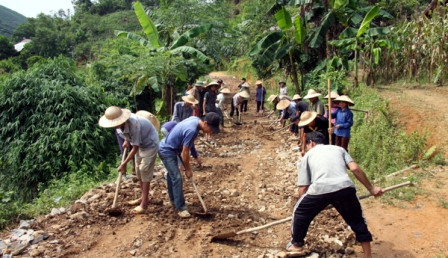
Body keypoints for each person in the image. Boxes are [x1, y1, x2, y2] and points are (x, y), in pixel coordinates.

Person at [286, 131, 383, 258]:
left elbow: (303, 187)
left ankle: (296, 244)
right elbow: (354, 169)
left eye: (308, 145)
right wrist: (372, 189)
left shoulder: (308, 156)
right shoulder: (339, 149)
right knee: (357, 221)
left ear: (311, 143)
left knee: (299, 212)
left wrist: (308, 207)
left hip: (320, 189)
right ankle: (367, 255)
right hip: (345, 187)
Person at [158, 113, 220, 218]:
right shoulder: (192, 131)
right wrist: (188, 169)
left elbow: (188, 146)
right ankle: (181, 208)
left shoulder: (195, 119)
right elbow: (185, 152)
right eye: (211, 129)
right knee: (177, 178)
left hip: (171, 148)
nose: (211, 132)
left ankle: (174, 201)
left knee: (172, 175)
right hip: (167, 151)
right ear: (205, 123)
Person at [99, 106, 159, 214]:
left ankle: (144, 203)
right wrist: (127, 140)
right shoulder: (118, 126)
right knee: (138, 170)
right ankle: (143, 196)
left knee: (144, 170)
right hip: (139, 144)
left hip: (149, 144)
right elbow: (128, 136)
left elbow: (135, 148)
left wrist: (124, 164)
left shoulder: (134, 125)